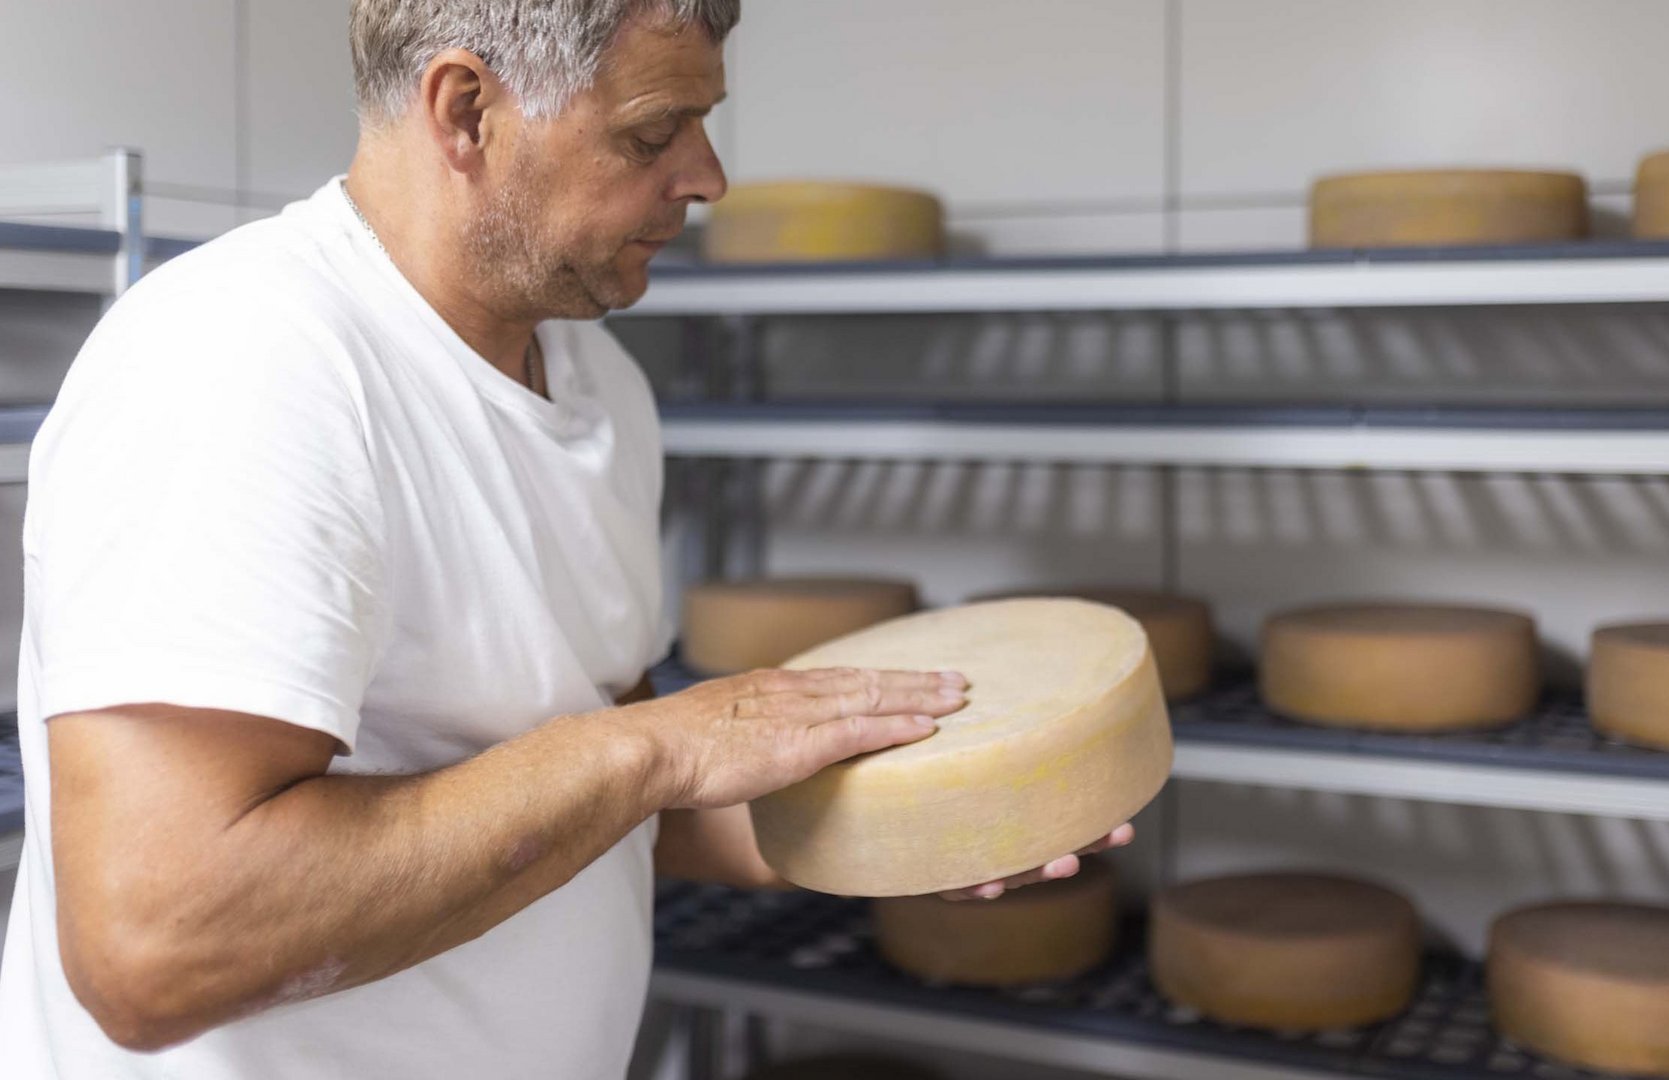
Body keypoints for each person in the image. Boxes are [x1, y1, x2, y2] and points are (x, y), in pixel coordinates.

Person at [0, 2, 1131, 1076]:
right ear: (465, 112)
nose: (708, 178)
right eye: (653, 132)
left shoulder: (599, 382)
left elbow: (634, 809)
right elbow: (154, 950)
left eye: (702, 122)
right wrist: (647, 744)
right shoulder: (246, 365)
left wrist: (914, 828)